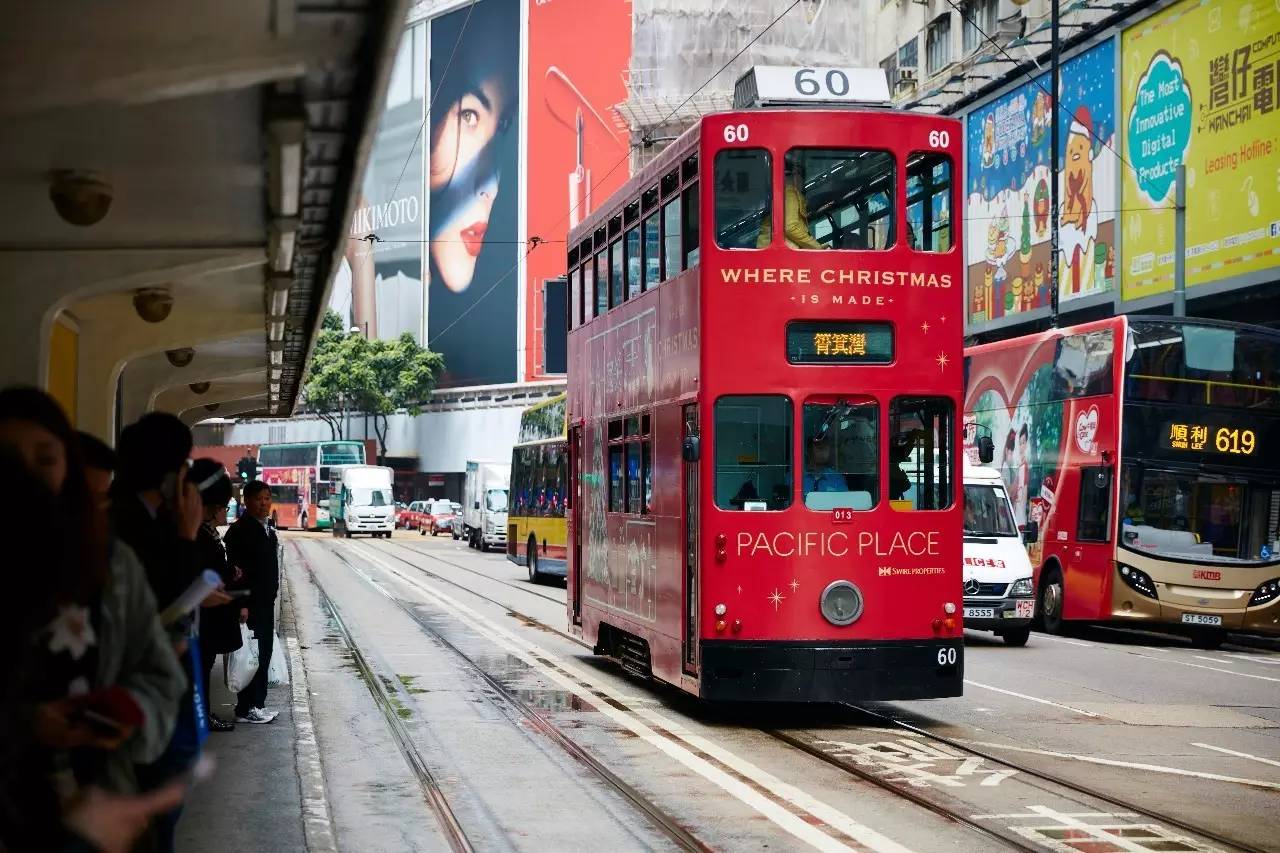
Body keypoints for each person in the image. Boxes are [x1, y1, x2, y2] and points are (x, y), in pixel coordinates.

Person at [189, 460, 242, 732]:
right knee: (199, 668)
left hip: (204, 617)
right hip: (199, 619)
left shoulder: (205, 532)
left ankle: (202, 716)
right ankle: (200, 717)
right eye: (223, 505)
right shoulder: (196, 534)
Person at [224, 481, 280, 724]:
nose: (264, 503)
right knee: (253, 656)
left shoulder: (266, 529)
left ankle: (257, 704)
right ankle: (247, 707)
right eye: (259, 498)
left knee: (262, 654)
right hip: (251, 605)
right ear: (246, 500)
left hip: (265, 603)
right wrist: (243, 604)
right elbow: (238, 571)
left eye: (267, 498)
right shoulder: (241, 531)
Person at [758, 161, 825, 250]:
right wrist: (817, 247)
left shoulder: (780, 194)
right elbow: (790, 226)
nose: (803, 183)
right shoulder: (790, 193)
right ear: (795, 176)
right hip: (783, 256)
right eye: (802, 177)